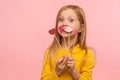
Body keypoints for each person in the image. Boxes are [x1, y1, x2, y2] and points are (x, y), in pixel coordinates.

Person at [40, 5, 95, 80]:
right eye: (61, 19)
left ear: (81, 28)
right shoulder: (50, 52)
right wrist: (57, 71)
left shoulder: (87, 53)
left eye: (71, 20)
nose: (64, 23)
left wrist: (73, 70)